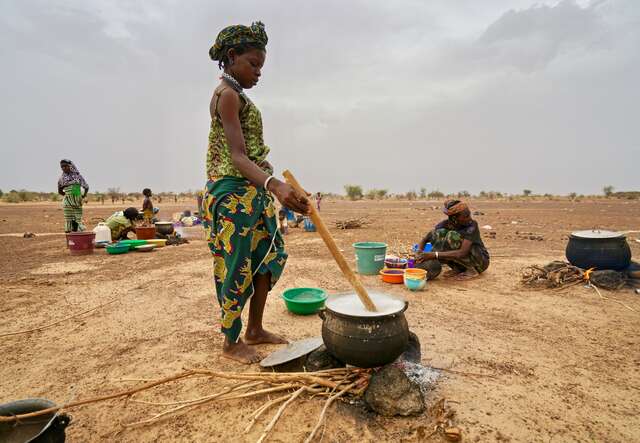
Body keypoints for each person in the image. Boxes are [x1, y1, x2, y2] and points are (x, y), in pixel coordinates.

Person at [202, 21, 309, 364]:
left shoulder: (239, 95)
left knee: (267, 256)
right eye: (253, 64)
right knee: (236, 267)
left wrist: (273, 187)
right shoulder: (227, 95)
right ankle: (231, 342)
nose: (259, 72)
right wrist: (274, 184)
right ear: (232, 57)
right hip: (232, 194)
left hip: (253, 191)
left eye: (262, 65)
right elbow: (236, 156)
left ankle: (255, 329)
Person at [415, 200, 490, 280]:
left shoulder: (472, 226)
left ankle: (472, 270)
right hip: (463, 258)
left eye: (469, 215)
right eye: (465, 216)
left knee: (451, 236)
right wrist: (419, 252)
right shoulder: (445, 224)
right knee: (438, 234)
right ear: (454, 218)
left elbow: (462, 253)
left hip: (480, 262)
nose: (469, 218)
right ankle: (458, 268)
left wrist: (434, 255)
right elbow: (425, 239)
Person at [57, 159, 89, 233]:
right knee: (69, 220)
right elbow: (60, 191)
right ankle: (71, 240)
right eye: (62, 167)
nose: (63, 168)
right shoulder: (61, 179)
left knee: (78, 220)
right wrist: (68, 195)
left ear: (71, 166)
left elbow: (86, 187)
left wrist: (83, 195)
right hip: (67, 202)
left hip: (78, 202)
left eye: (65, 166)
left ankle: (77, 238)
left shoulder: (78, 177)